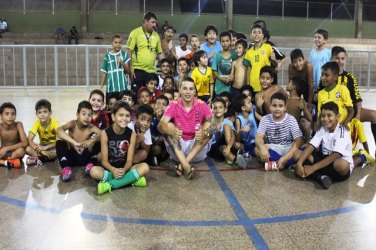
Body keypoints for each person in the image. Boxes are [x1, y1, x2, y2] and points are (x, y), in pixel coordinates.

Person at [157, 78, 214, 179]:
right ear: (179, 90)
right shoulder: (173, 105)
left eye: (191, 89)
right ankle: (187, 166)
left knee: (209, 129)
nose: (188, 92)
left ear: (195, 91)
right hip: (178, 151)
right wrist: (170, 130)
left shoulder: (202, 104)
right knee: (168, 126)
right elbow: (160, 126)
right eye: (185, 88)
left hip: (196, 150)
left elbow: (214, 125)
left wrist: (204, 132)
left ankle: (182, 164)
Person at [89, 101, 150, 195]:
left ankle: (109, 185)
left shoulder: (132, 135)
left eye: (127, 116)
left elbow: (129, 161)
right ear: (113, 117)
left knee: (145, 167)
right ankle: (130, 180)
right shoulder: (105, 133)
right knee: (94, 171)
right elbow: (104, 161)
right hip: (110, 170)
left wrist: (124, 170)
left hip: (126, 169)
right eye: (121, 115)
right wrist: (113, 170)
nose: (124, 119)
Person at [330, 46, 376, 158]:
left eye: (342, 58)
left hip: (352, 112)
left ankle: (372, 152)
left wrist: (358, 117)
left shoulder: (350, 77)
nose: (340, 61)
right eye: (337, 58)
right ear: (331, 58)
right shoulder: (327, 76)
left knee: (374, 115)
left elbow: (358, 99)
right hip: (336, 114)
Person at [293, 102, 352, 189]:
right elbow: (311, 146)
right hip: (324, 159)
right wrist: (299, 163)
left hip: (335, 163)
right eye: (323, 116)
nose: (325, 119)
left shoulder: (343, 132)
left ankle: (313, 174)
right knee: (296, 154)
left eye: (329, 115)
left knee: (342, 165)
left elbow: (336, 155)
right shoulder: (322, 129)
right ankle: (321, 177)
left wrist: (313, 168)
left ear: (337, 117)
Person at [255, 92, 303, 170]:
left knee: (298, 154)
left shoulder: (291, 119)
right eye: (274, 106)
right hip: (274, 148)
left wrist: (285, 157)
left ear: (285, 108)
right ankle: (285, 164)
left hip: (288, 147)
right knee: (257, 149)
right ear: (270, 107)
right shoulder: (265, 119)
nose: (277, 109)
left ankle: (276, 164)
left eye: (280, 106)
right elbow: (258, 137)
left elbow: (299, 141)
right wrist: (262, 148)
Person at [56, 101, 101, 181]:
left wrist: (90, 141)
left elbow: (103, 135)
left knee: (99, 141)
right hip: (71, 157)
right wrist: (74, 143)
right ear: (77, 115)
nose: (87, 117)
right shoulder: (72, 124)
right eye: (84, 114)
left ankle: (91, 164)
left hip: (85, 157)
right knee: (60, 141)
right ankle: (66, 168)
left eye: (89, 115)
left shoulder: (91, 127)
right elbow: (58, 130)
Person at [126, 12, 164, 94]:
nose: (154, 25)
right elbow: (129, 51)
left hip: (151, 72)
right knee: (136, 96)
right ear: (146, 21)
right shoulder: (135, 33)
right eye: (152, 22)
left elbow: (160, 53)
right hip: (138, 71)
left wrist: (165, 64)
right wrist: (131, 69)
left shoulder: (156, 35)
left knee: (150, 97)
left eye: (155, 23)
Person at [208, 97, 247, 169]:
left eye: (220, 107)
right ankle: (235, 160)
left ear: (225, 110)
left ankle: (232, 153)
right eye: (215, 108)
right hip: (214, 147)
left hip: (228, 143)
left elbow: (232, 136)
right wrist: (213, 126)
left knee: (227, 128)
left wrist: (228, 147)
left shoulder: (227, 121)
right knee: (224, 148)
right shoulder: (210, 122)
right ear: (212, 109)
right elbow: (207, 136)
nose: (218, 110)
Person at [317, 62, 353, 127]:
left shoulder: (342, 89)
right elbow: (320, 114)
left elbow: (351, 111)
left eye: (326, 75)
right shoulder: (320, 94)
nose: (323, 78)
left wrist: (344, 123)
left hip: (342, 127)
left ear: (335, 77)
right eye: (322, 75)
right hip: (327, 128)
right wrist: (318, 126)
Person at [25, 99, 59, 166]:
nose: (42, 115)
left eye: (45, 112)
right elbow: (29, 139)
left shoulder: (55, 122)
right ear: (36, 114)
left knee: (64, 145)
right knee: (27, 149)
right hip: (42, 146)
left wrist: (46, 148)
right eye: (39, 112)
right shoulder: (36, 123)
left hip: (53, 146)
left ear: (50, 113)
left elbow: (59, 141)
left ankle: (39, 159)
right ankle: (53, 158)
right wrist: (42, 151)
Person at [100, 34, 130, 105]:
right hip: (111, 87)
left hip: (122, 87)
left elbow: (128, 71)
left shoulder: (124, 54)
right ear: (112, 44)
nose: (118, 44)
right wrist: (101, 86)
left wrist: (122, 62)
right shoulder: (107, 56)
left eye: (120, 43)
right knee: (110, 107)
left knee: (122, 106)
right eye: (115, 42)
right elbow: (105, 72)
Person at [243, 24, 273, 93]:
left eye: (259, 32)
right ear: (251, 35)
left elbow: (274, 62)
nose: (256, 34)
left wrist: (275, 61)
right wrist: (248, 84)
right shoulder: (248, 52)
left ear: (262, 36)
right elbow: (248, 69)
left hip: (266, 84)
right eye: (254, 32)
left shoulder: (268, 47)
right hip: (253, 84)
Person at [0, 102, 27, 169]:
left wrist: (6, 149)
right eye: (7, 114)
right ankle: (9, 162)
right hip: (3, 152)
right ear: (1, 116)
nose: (10, 116)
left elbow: (25, 143)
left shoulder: (18, 125)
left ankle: (4, 161)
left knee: (22, 150)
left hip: (15, 152)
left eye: (13, 114)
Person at [286, 77, 312, 143]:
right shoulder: (285, 99)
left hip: (294, 130)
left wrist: (304, 109)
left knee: (304, 123)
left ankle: (307, 142)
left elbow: (310, 119)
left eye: (289, 82)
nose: (287, 84)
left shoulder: (300, 101)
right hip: (282, 127)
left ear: (294, 87)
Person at [212, 31, 237, 96]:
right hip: (219, 89)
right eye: (223, 41)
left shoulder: (234, 54)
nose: (225, 43)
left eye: (227, 41)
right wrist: (221, 78)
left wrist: (233, 76)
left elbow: (237, 69)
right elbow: (214, 70)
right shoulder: (217, 55)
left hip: (231, 89)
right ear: (220, 42)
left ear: (230, 41)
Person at [233, 94, 258, 159]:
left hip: (256, 141)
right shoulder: (238, 119)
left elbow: (263, 119)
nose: (251, 104)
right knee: (235, 144)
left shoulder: (253, 111)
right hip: (245, 144)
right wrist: (242, 130)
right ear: (243, 108)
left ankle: (245, 154)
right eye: (249, 103)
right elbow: (238, 139)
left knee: (259, 146)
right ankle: (247, 153)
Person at [148, 95, 169, 166]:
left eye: (164, 104)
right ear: (154, 105)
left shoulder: (169, 119)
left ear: (168, 107)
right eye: (158, 104)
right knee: (156, 149)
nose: (160, 106)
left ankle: (159, 157)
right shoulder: (150, 118)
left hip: (165, 145)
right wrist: (156, 118)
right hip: (153, 143)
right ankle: (151, 158)